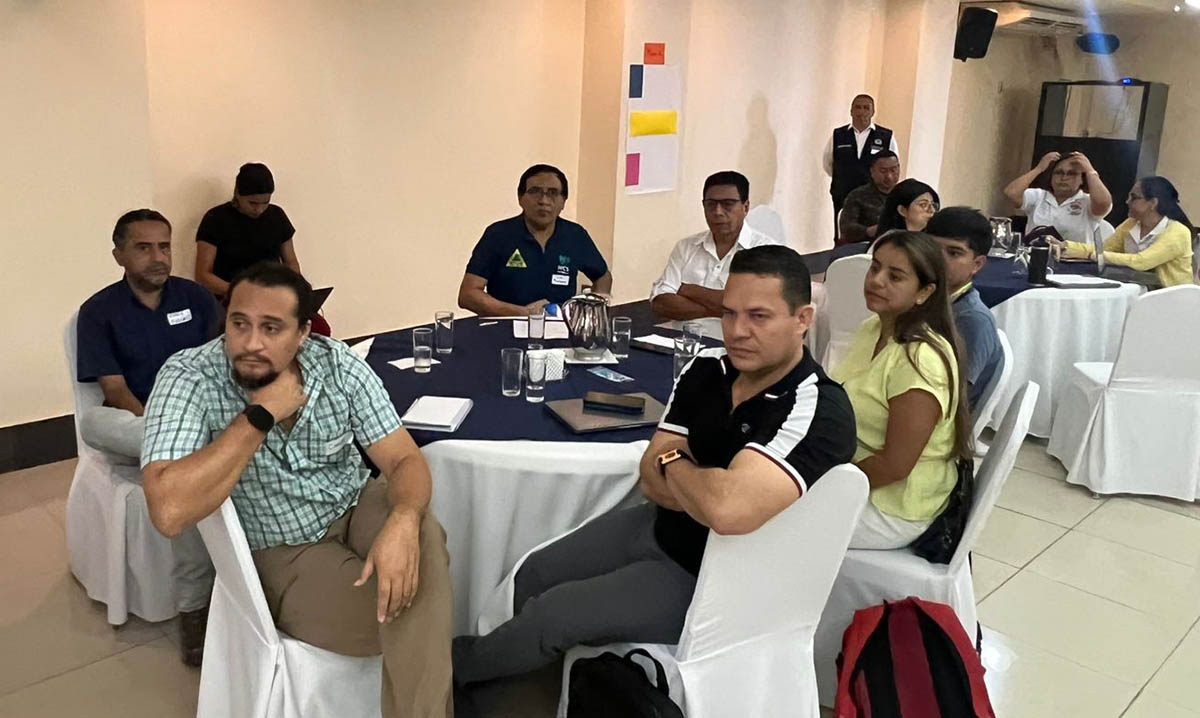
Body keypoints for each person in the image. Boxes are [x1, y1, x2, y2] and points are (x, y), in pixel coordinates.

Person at [452, 246, 856, 685]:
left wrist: (676, 463)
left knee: (552, 615)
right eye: (729, 313)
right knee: (533, 572)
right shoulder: (707, 369)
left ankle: (442, 681)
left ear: (802, 319)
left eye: (759, 317)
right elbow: (651, 476)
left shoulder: (816, 407)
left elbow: (726, 512)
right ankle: (509, 675)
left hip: (716, 577)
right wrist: (698, 481)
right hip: (658, 525)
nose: (738, 331)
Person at [140, 263, 453, 717]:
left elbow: (404, 459)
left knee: (423, 537)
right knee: (411, 602)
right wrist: (260, 415)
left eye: (271, 328)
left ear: (304, 333)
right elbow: (168, 513)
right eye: (239, 324)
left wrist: (403, 519)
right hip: (284, 548)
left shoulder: (336, 363)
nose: (251, 343)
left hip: (355, 505)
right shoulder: (190, 377)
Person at [75, 208, 223, 666]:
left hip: (201, 424)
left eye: (164, 246)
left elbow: (223, 366)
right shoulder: (99, 312)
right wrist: (168, 432)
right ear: (118, 255)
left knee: (183, 472)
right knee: (93, 422)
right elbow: (115, 392)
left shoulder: (196, 298)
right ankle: (199, 608)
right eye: (143, 248)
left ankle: (195, 606)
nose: (158, 257)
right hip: (137, 425)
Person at [830, 232, 972, 549]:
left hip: (895, 505)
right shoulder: (873, 328)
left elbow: (894, 466)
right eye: (875, 268)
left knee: (765, 518)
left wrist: (823, 481)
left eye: (894, 276)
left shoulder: (920, 359)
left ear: (924, 292)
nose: (876, 281)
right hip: (852, 472)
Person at [458, 164, 613, 316]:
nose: (544, 200)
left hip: (560, 328)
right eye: (535, 192)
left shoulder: (575, 235)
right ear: (520, 198)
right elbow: (468, 295)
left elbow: (602, 276)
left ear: (563, 201)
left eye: (552, 193)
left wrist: (593, 315)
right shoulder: (498, 234)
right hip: (507, 326)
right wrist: (523, 313)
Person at [650, 171, 781, 320]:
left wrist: (690, 290)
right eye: (711, 204)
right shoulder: (686, 246)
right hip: (680, 335)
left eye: (728, 204)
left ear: (745, 207)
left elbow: (750, 308)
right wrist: (720, 310)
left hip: (737, 335)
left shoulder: (768, 251)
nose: (718, 212)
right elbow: (660, 302)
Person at [1055, 176, 1196, 287]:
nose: (1127, 201)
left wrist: (1097, 256)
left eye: (1134, 197)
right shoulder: (1131, 224)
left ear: (1153, 203)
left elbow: (1141, 262)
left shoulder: (1178, 232)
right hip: (1137, 289)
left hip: (1170, 299)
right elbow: (1103, 249)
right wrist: (1066, 247)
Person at [926, 207, 1004, 409]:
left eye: (954, 253)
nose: (939, 259)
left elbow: (955, 398)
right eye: (932, 248)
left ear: (977, 264)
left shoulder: (971, 319)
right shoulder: (925, 299)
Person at [195, 163, 302, 301]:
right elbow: (203, 276)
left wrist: (291, 288)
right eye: (253, 203)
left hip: (272, 295)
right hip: (230, 299)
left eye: (266, 202)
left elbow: (291, 262)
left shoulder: (277, 215)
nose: (259, 209)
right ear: (238, 194)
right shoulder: (216, 219)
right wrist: (241, 291)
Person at [824, 94, 900, 242]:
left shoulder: (886, 136)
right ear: (851, 111)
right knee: (843, 234)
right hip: (842, 192)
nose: (862, 111)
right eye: (858, 107)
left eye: (866, 108)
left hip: (874, 196)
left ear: (873, 111)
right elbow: (828, 163)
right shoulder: (838, 135)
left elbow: (892, 164)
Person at [1003, 151, 1113, 243]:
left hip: (1074, 259)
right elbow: (1011, 193)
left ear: (1082, 180)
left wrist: (1090, 170)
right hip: (1036, 255)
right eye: (1058, 172)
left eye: (1071, 173)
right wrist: (1039, 168)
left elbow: (1103, 203)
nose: (1064, 178)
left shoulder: (1088, 201)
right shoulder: (1039, 196)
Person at [838, 151, 901, 245]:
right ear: (872, 171)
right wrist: (869, 231)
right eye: (883, 171)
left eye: (893, 170)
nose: (889, 176)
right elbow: (846, 228)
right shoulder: (858, 196)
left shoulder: (906, 193)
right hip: (866, 246)